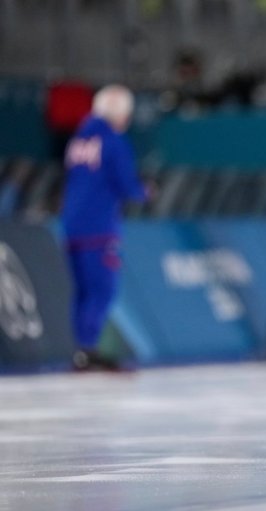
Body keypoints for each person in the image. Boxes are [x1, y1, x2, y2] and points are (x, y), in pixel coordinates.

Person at [61, 85, 149, 371]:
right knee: (103, 290)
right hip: (99, 226)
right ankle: (88, 348)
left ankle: (83, 348)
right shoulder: (114, 141)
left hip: (72, 225)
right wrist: (145, 192)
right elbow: (127, 186)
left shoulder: (78, 138)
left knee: (84, 291)